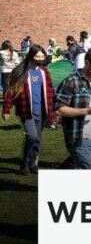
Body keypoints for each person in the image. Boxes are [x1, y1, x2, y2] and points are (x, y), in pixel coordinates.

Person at [2, 45, 56, 175]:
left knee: (37, 139)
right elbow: (11, 90)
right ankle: (24, 163)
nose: (40, 59)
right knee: (31, 136)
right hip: (26, 110)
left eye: (42, 56)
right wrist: (6, 109)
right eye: (37, 56)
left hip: (42, 111)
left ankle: (33, 164)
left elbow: (50, 91)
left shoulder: (44, 71)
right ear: (31, 56)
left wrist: (54, 108)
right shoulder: (20, 70)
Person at [55, 46, 91, 169]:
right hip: (80, 139)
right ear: (86, 62)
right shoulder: (71, 80)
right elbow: (58, 109)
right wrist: (87, 111)